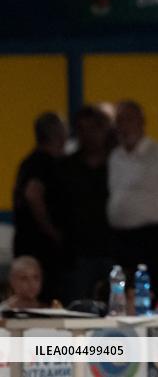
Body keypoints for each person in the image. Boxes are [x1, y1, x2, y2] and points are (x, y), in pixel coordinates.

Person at [107, 100, 158, 300]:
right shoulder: (115, 157)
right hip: (121, 236)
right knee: (122, 292)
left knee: (149, 291)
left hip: (151, 237)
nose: (124, 126)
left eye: (129, 120)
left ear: (141, 122)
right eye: (119, 121)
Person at [59, 105, 114, 303]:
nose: (88, 135)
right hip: (78, 251)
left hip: (112, 246)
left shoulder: (116, 162)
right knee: (77, 306)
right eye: (82, 129)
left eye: (93, 129)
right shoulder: (68, 166)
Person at [12, 112, 67, 302]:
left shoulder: (29, 162)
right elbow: (33, 194)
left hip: (34, 241)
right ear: (57, 135)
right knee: (39, 298)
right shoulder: (41, 163)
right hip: (40, 246)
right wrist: (51, 230)